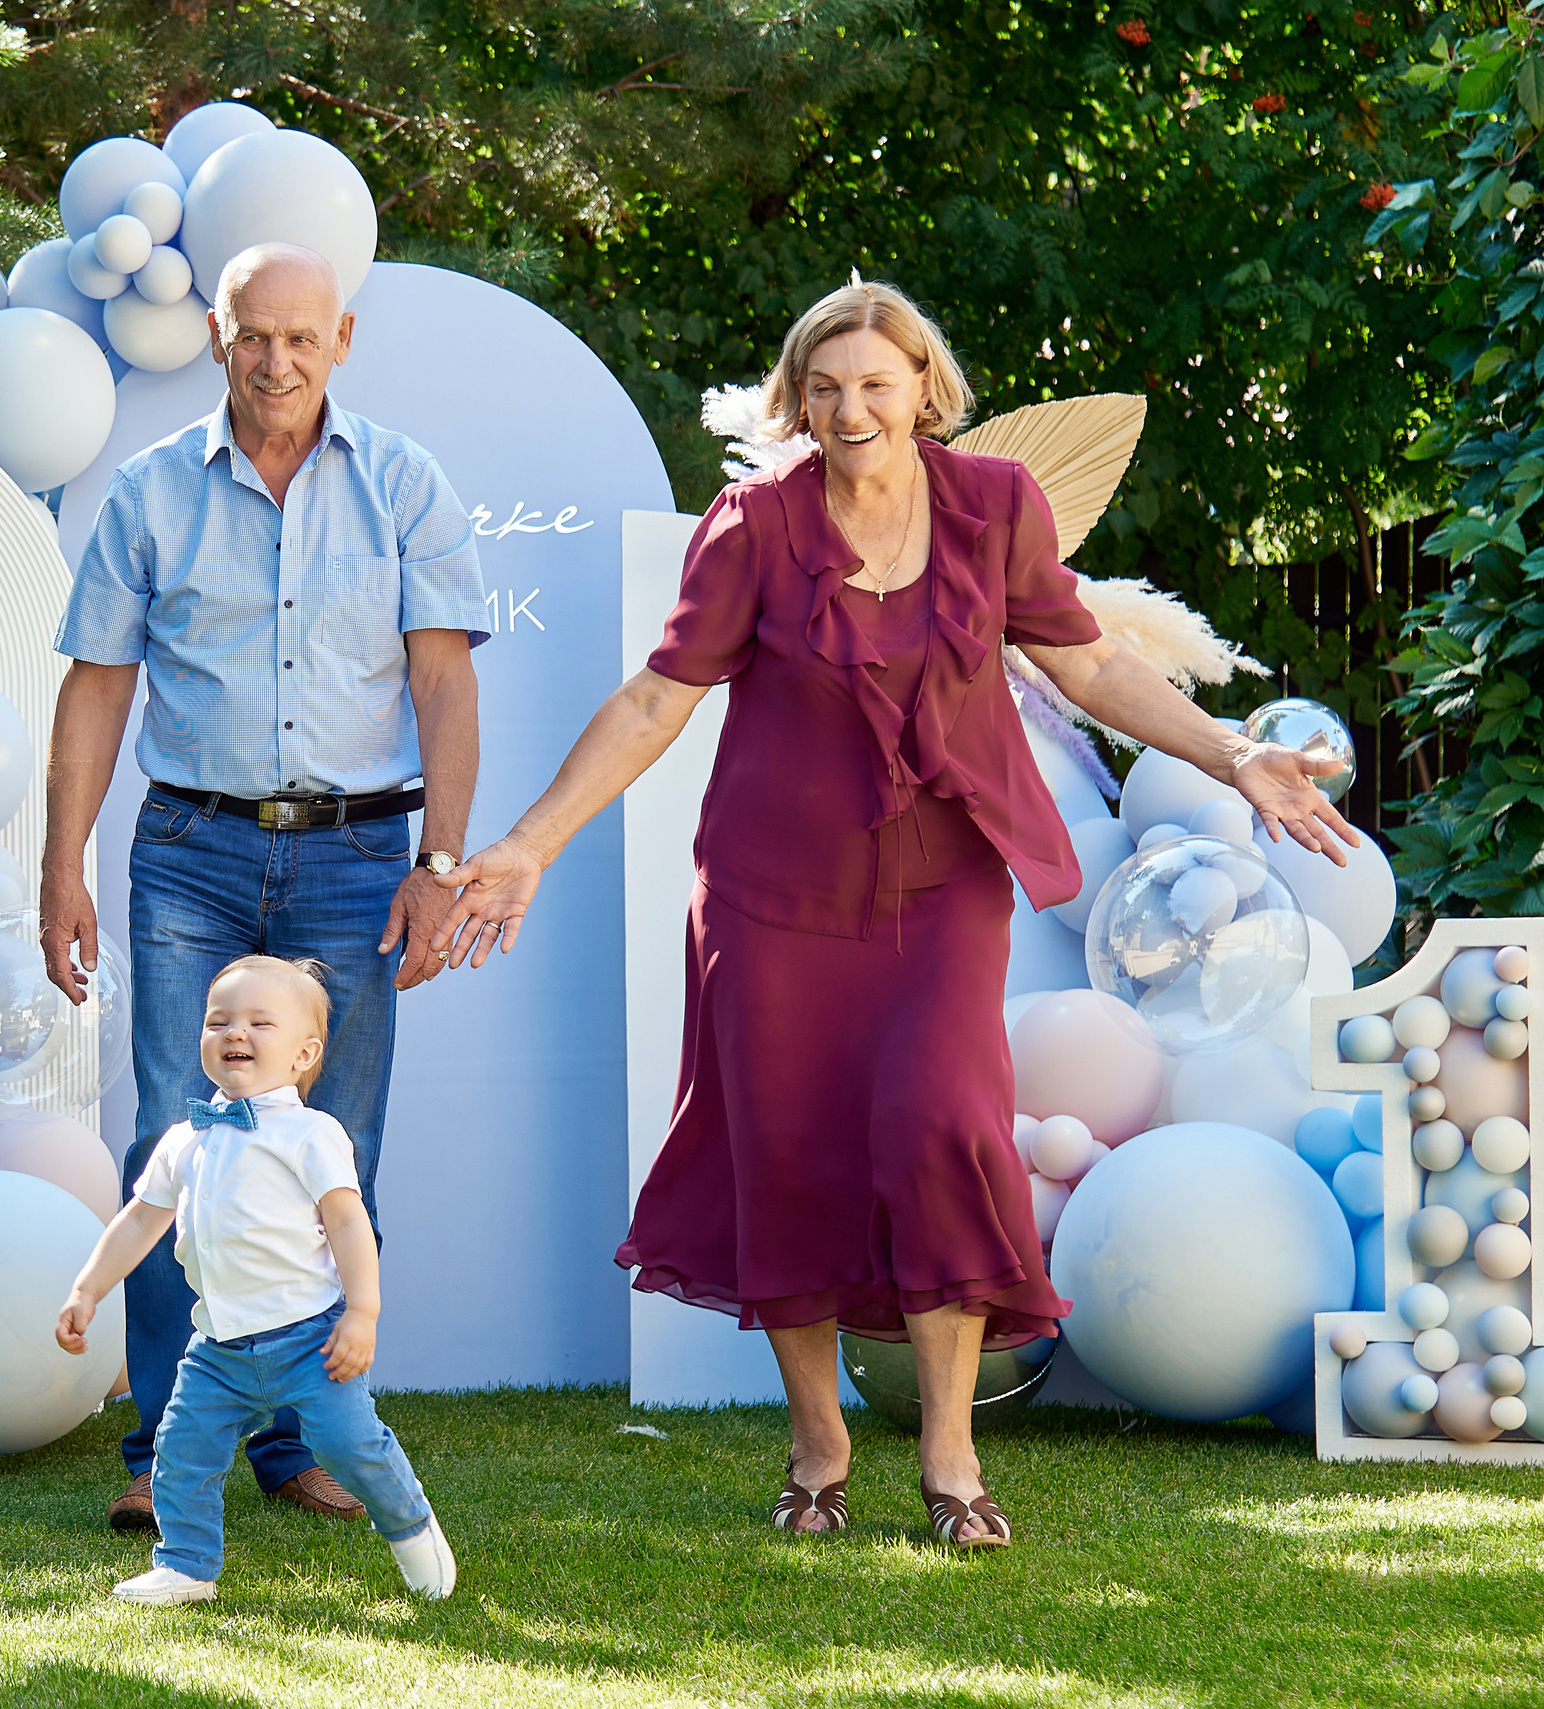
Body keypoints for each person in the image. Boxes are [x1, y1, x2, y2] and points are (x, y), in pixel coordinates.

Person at [428, 280, 1355, 1549]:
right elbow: (658, 698)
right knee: (790, 1150)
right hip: (771, 894)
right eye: (823, 387)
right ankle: (818, 1443)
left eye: (875, 383)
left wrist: (1230, 748)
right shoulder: (754, 525)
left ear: (926, 386)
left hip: (943, 884)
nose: (849, 409)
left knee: (940, 1129)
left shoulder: (994, 509)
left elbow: (1083, 658)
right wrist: (529, 843)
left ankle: (949, 1449)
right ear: (796, 400)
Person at [40, 241, 489, 1533]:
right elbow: (99, 685)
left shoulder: (403, 483)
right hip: (192, 855)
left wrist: (440, 866)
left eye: (302, 337)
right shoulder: (148, 491)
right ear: (222, 339)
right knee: (170, 1151)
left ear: (340, 339)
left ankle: (294, 1446)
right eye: (254, 337)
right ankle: (160, 1448)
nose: (277, 361)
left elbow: (446, 683)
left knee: (325, 1158)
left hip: (358, 865)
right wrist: (61, 864)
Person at [55, 955, 456, 1605]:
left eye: (259, 1021)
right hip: (218, 1347)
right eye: (219, 1021)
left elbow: (349, 1223)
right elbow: (138, 1222)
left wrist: (363, 1311)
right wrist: (87, 1288)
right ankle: (186, 1564)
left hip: (308, 1339)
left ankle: (412, 1530)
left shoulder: (311, 1133)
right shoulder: (187, 1138)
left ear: (305, 1053)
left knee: (353, 1445)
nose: (235, 1032)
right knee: (184, 1451)